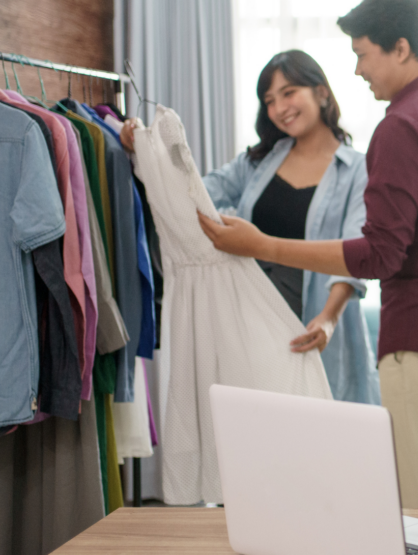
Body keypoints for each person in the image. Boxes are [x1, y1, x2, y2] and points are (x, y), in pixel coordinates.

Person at [197, 0, 418, 509]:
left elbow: (379, 255)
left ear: (401, 49)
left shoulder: (402, 125)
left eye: (363, 54)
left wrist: (264, 244)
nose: (359, 70)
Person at [122, 50, 380, 404]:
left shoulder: (356, 170)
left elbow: (354, 253)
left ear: (321, 92)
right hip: (252, 326)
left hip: (312, 328)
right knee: (257, 437)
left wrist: (328, 318)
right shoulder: (257, 162)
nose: (279, 108)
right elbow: (197, 192)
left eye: (289, 93)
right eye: (269, 100)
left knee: (320, 442)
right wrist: (146, 151)